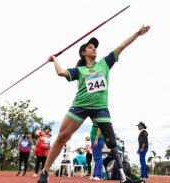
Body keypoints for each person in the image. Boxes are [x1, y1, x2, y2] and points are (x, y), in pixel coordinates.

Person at [37, 24, 150, 183]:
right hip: (80, 106)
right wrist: (54, 59)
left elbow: (121, 46)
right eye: (91, 47)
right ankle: (44, 172)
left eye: (95, 47)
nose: (94, 49)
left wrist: (137, 33)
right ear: (84, 53)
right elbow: (61, 72)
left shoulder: (104, 63)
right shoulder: (80, 70)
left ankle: (124, 179)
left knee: (111, 142)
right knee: (62, 136)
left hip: (100, 108)